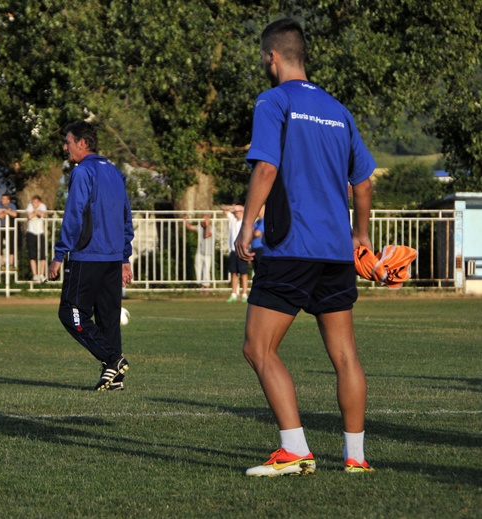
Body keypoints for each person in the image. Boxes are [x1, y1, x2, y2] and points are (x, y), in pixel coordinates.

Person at [234, 18, 376, 476]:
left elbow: (266, 170)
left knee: (258, 347)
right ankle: (355, 458)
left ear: (272, 57)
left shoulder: (273, 100)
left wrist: (246, 227)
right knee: (345, 354)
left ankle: (294, 449)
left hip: (291, 246)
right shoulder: (339, 110)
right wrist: (362, 237)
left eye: (263, 57)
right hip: (336, 250)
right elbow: (364, 182)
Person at [48, 121, 134, 391]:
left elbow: (74, 214)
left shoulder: (83, 171)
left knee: (70, 312)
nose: (66, 147)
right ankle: (114, 379)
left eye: (68, 142)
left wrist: (60, 253)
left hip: (88, 256)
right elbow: (126, 217)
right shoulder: (115, 172)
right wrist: (123, 257)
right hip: (111, 258)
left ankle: (113, 359)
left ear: (82, 144)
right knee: (108, 317)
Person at [183, 213, 215, 288]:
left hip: (208, 253)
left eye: (205, 220)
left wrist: (207, 225)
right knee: (197, 266)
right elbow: (190, 227)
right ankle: (200, 284)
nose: (203, 222)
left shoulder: (212, 228)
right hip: (200, 251)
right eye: (202, 220)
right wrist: (185, 220)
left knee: (206, 269)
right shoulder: (199, 228)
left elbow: (207, 235)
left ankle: (206, 286)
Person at [226, 205, 249, 302]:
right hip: (233, 250)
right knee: (233, 273)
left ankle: (244, 293)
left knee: (243, 273)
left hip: (242, 250)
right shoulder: (233, 220)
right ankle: (234, 293)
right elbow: (224, 209)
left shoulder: (244, 222)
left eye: (238, 212)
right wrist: (233, 207)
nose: (236, 213)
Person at [26, 194, 48, 281]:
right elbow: (29, 216)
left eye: (36, 202)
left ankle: (42, 274)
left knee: (42, 254)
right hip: (31, 232)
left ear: (40, 202)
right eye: (33, 202)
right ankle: (35, 274)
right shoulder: (29, 206)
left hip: (40, 232)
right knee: (32, 255)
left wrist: (35, 212)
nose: (34, 204)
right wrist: (36, 212)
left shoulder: (43, 206)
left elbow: (43, 214)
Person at [0, 193, 18, 270]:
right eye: (2, 199)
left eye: (4, 199)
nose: (2, 200)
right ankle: (2, 263)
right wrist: (7, 211)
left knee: (11, 244)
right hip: (0, 227)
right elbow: (0, 216)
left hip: (10, 227)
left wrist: (5, 211)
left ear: (8, 200)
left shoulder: (12, 205)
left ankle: (11, 264)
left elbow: (14, 214)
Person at [251, 205, 265, 273]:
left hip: (261, 248)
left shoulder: (264, 221)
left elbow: (257, 233)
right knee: (256, 269)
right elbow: (251, 233)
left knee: (260, 269)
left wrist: (254, 232)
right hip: (254, 248)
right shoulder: (257, 222)